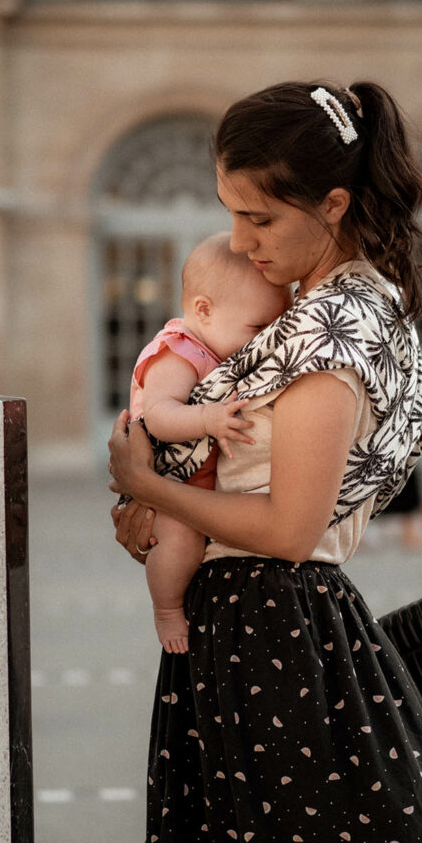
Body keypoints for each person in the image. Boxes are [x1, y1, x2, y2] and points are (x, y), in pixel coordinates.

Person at [108, 80, 422, 843]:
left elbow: (287, 529)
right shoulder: (306, 308)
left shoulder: (334, 330)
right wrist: (152, 498)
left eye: (260, 220)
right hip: (236, 623)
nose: (238, 243)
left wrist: (148, 488)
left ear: (332, 203)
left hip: (279, 622)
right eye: (229, 215)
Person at [129, 233, 293, 654]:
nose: (263, 342)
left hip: (200, 488)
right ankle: (166, 609)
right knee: (180, 541)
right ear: (203, 309)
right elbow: (159, 416)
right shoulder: (179, 352)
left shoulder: (221, 353)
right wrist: (207, 418)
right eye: (257, 328)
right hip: (173, 486)